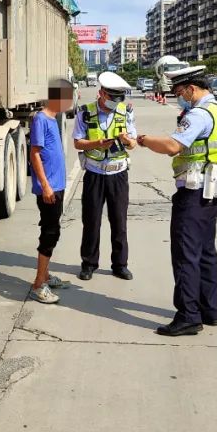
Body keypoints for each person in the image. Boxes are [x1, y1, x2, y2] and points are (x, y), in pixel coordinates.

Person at [135, 65, 217, 336]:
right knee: (205, 252)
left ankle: (189, 316)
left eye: (179, 92)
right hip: (212, 191)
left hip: (194, 192)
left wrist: (142, 140)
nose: (178, 97)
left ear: (191, 89)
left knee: (185, 254)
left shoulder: (199, 115)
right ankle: (207, 310)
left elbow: (172, 146)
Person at [73, 71, 137, 281]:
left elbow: (134, 144)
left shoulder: (125, 112)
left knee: (119, 221)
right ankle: (89, 263)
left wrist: (127, 140)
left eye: (119, 99)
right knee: (91, 221)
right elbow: (77, 143)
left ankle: (120, 264)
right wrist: (98, 144)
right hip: (94, 174)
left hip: (118, 174)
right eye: (111, 98)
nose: (115, 103)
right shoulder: (85, 112)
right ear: (101, 93)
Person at [28, 79, 75, 304]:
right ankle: (39, 283)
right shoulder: (40, 119)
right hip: (49, 188)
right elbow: (35, 153)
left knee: (52, 229)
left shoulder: (53, 118)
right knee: (50, 232)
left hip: (57, 186)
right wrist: (45, 185)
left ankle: (45, 274)